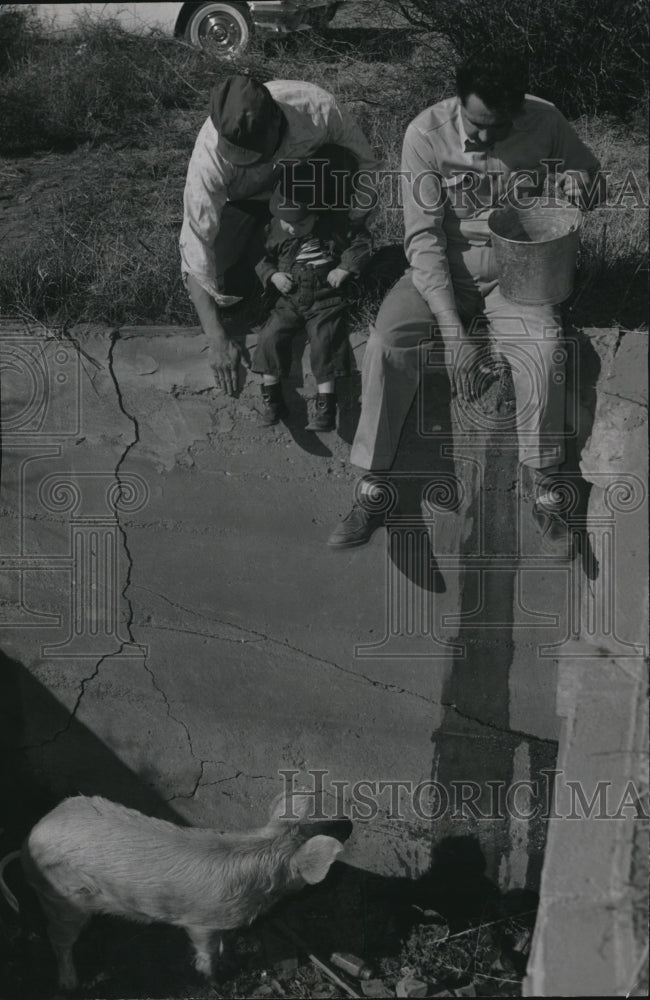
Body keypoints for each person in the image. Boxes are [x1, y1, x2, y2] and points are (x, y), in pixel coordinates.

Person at [327, 49, 601, 558]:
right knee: (388, 341)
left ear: (518, 109)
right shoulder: (424, 135)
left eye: (498, 128)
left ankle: (542, 486)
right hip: (442, 267)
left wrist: (581, 181)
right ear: (459, 101)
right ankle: (372, 486)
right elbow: (423, 239)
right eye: (476, 125)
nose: (484, 139)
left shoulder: (545, 120)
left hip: (518, 271)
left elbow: (590, 174)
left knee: (542, 347)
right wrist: (453, 333)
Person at [180, 74, 381, 397]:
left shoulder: (316, 108)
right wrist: (216, 337)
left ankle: (322, 256)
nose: (254, 159)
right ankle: (274, 269)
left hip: (304, 193)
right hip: (245, 204)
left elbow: (367, 164)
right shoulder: (209, 156)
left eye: (258, 150)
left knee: (341, 161)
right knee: (226, 282)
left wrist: (352, 229)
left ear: (276, 119)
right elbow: (196, 241)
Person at [251, 159, 372, 430]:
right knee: (270, 336)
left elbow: (361, 242)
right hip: (289, 299)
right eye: (286, 221)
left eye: (300, 221)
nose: (291, 228)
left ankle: (326, 405)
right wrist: (273, 275)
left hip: (325, 300)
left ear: (318, 214)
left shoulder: (335, 227)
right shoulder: (275, 230)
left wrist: (344, 268)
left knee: (325, 340)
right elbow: (259, 256)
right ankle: (272, 399)